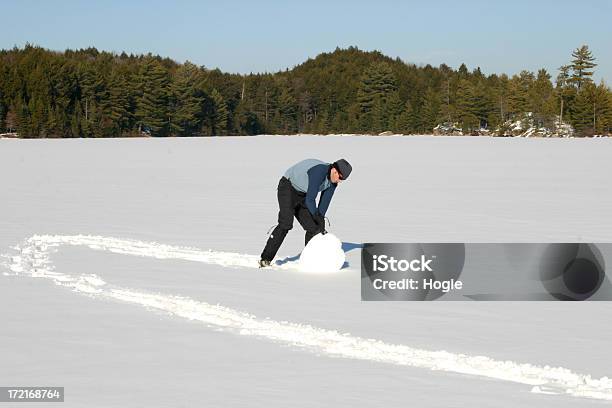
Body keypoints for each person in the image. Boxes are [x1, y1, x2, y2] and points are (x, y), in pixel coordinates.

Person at [259, 158, 352, 267]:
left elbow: (324, 203)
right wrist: (316, 216)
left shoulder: (333, 183)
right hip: (288, 187)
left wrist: (320, 223)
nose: (339, 181)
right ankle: (265, 259)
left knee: (313, 228)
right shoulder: (319, 171)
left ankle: (309, 261)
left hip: (303, 195)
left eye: (342, 180)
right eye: (340, 178)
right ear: (335, 171)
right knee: (286, 223)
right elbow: (310, 200)